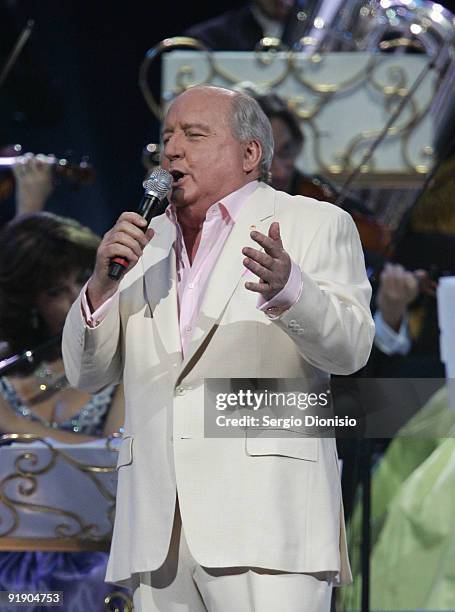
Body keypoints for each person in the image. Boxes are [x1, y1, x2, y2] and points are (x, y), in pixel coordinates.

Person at [62, 85, 374, 612]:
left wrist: (291, 291)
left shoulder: (314, 224)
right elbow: (85, 374)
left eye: (194, 135)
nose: (172, 150)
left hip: (269, 523)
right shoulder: (142, 240)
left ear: (250, 154)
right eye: (167, 137)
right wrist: (100, 289)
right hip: (158, 529)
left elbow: (350, 351)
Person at [0, 212, 126, 611]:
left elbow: (116, 457)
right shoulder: (9, 368)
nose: (77, 297)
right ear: (29, 305)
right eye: (57, 291)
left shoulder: (122, 363)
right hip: (11, 561)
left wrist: (15, 425)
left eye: (83, 279)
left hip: (96, 560)